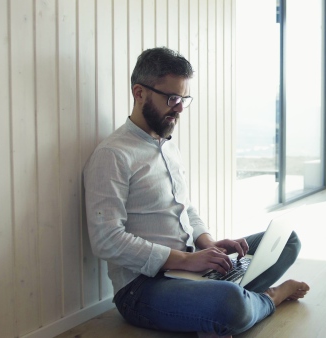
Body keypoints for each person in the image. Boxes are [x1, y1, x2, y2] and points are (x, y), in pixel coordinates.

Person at [83, 46, 309, 337]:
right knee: (230, 305)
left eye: (183, 99)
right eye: (172, 98)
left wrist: (208, 245)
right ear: (139, 93)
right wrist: (187, 261)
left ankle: (226, 288)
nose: (178, 108)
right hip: (142, 288)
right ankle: (270, 297)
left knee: (287, 240)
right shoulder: (113, 155)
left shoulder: (168, 144)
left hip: (191, 266)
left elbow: (185, 207)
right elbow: (106, 240)